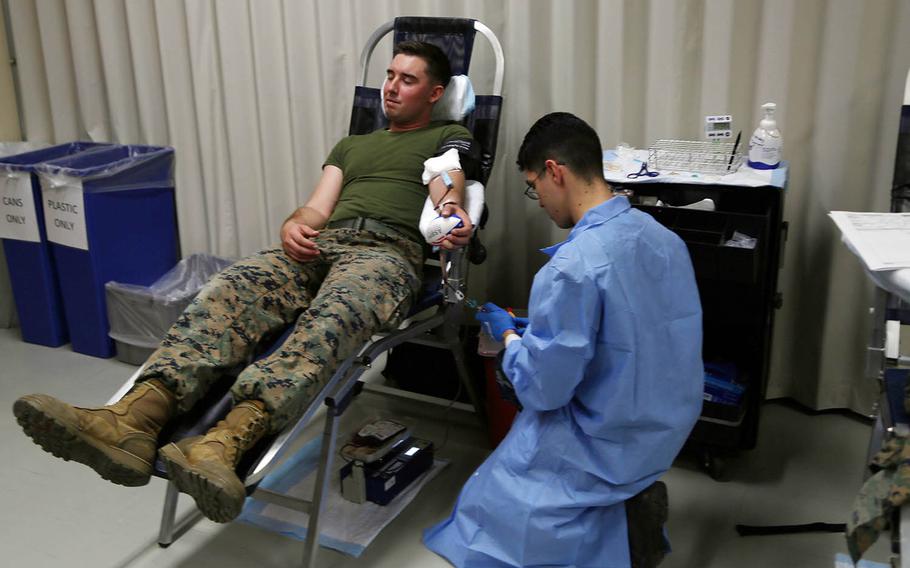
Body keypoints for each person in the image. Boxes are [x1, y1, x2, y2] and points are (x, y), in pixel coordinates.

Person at [13, 40, 480, 524]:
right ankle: (134, 418)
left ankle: (223, 443)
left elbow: (447, 187)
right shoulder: (353, 145)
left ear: (434, 93)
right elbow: (316, 207)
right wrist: (293, 224)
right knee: (230, 288)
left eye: (408, 79)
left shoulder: (445, 136)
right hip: (319, 244)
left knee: (333, 319)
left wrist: (451, 213)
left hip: (385, 255)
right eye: (389, 75)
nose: (391, 87)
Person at [423, 112, 704, 567]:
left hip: (604, 440)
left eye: (534, 186)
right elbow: (635, 331)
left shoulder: (570, 269)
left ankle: (617, 524)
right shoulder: (664, 240)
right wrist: (543, 332)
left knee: (482, 506)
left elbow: (543, 390)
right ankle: (631, 502)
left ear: (555, 171)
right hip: (662, 431)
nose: (538, 201)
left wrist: (512, 338)